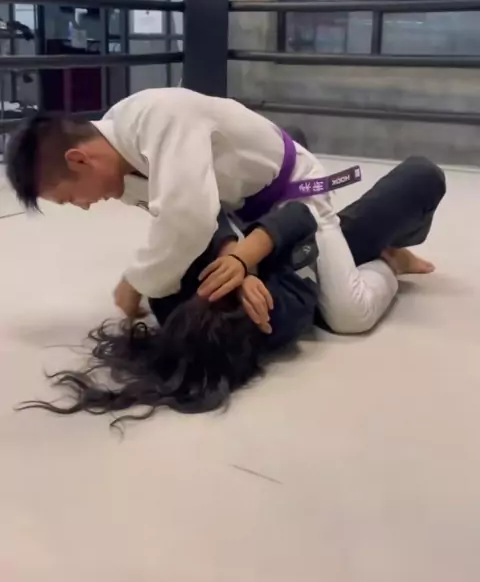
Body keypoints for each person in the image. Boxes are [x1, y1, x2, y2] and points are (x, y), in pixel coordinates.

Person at [18, 158, 445, 424]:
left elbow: (205, 216)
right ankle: (392, 258)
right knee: (421, 178)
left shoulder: (169, 297)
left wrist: (240, 259)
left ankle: (390, 248)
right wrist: (254, 261)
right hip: (308, 248)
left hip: (255, 225)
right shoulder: (277, 316)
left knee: (280, 152)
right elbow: (303, 222)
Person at [6, 87, 445, 336]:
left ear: (79, 160)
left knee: (348, 316)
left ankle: (388, 262)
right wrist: (235, 257)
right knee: (271, 290)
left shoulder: (159, 118)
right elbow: (196, 215)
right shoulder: (117, 160)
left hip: (293, 193)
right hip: (239, 206)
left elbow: (189, 218)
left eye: (70, 197)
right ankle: (350, 250)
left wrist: (136, 280)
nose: (83, 206)